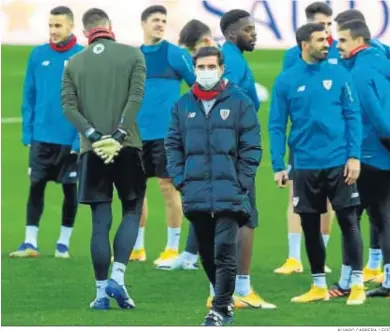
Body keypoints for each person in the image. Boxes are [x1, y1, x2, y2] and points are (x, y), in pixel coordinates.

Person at [177, 16, 275, 309]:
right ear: (231, 34)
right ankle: (239, 288)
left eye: (255, 29)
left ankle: (220, 289)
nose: (254, 34)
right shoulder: (229, 61)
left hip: (222, 151)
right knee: (242, 217)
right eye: (248, 30)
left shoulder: (233, 57)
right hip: (229, 153)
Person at [269, 23, 365, 305]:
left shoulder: (339, 74)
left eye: (328, 38)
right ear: (304, 45)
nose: (328, 43)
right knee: (310, 226)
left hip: (339, 163)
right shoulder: (286, 81)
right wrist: (278, 164)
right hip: (305, 165)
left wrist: (354, 156)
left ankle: (357, 284)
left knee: (348, 221)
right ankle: (318, 286)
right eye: (321, 40)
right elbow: (276, 125)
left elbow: (353, 116)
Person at [165, 46, 261, 325]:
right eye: (201, 67)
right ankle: (224, 300)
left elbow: (252, 145)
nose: (206, 72)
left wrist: (242, 180)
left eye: (211, 67)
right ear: (194, 70)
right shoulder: (182, 106)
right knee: (206, 254)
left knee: (224, 249)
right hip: (195, 191)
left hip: (230, 191)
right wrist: (181, 179)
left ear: (221, 69)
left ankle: (219, 308)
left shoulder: (240, 102)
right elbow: (172, 145)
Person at [61, 8, 146, 310]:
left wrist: (95, 136)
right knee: (133, 209)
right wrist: (120, 135)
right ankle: (118, 278)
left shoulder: (73, 63)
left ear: (85, 32)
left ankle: (99, 294)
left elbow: (69, 107)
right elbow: (135, 98)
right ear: (110, 27)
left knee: (99, 221)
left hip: (92, 151)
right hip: (129, 145)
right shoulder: (133, 55)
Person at [9, 6, 83, 259]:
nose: (53, 30)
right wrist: (27, 132)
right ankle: (30, 242)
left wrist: (79, 137)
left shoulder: (81, 57)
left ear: (71, 27)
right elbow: (28, 96)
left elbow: (85, 102)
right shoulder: (37, 54)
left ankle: (63, 242)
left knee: (69, 190)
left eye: (58, 26)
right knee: (36, 186)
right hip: (41, 138)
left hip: (70, 139)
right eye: (50, 25)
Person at [133, 5, 196, 268]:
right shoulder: (133, 57)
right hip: (137, 135)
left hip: (167, 135)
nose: (160, 24)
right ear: (143, 24)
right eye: (155, 20)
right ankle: (137, 247)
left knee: (167, 188)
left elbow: (197, 85)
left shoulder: (176, 54)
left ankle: (171, 247)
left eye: (163, 20)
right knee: (135, 192)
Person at [277, 2, 336, 275]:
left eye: (329, 26)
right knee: (296, 197)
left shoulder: (337, 53)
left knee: (329, 204)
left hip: (333, 144)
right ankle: (293, 257)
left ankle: (319, 256)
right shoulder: (292, 56)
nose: (326, 33)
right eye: (322, 26)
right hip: (302, 143)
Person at [334, 8, 390, 284]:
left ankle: (347, 281)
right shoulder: (381, 57)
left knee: (350, 219)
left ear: (358, 40)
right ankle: (388, 280)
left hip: (368, 153)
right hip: (383, 154)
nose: (337, 46)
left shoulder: (358, 72)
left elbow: (372, 112)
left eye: (342, 41)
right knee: (384, 217)